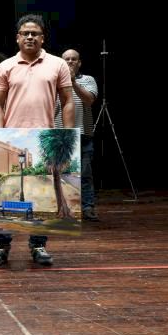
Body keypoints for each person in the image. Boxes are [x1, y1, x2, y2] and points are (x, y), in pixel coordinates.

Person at [0, 14, 74, 268]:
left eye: (35, 33)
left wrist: (68, 135)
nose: (30, 37)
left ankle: (38, 245)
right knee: (6, 193)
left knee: (42, 195)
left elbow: (68, 101)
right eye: (26, 33)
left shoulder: (57, 64)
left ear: (42, 38)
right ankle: (1, 246)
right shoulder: (6, 66)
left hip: (43, 137)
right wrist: (0, 133)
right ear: (18, 38)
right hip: (12, 138)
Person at [55, 49, 99, 221]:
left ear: (79, 63)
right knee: (62, 174)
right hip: (61, 135)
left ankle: (87, 208)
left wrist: (72, 82)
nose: (70, 62)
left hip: (83, 134)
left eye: (74, 59)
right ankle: (66, 209)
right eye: (66, 59)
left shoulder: (88, 80)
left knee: (85, 174)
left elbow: (89, 99)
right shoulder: (54, 81)